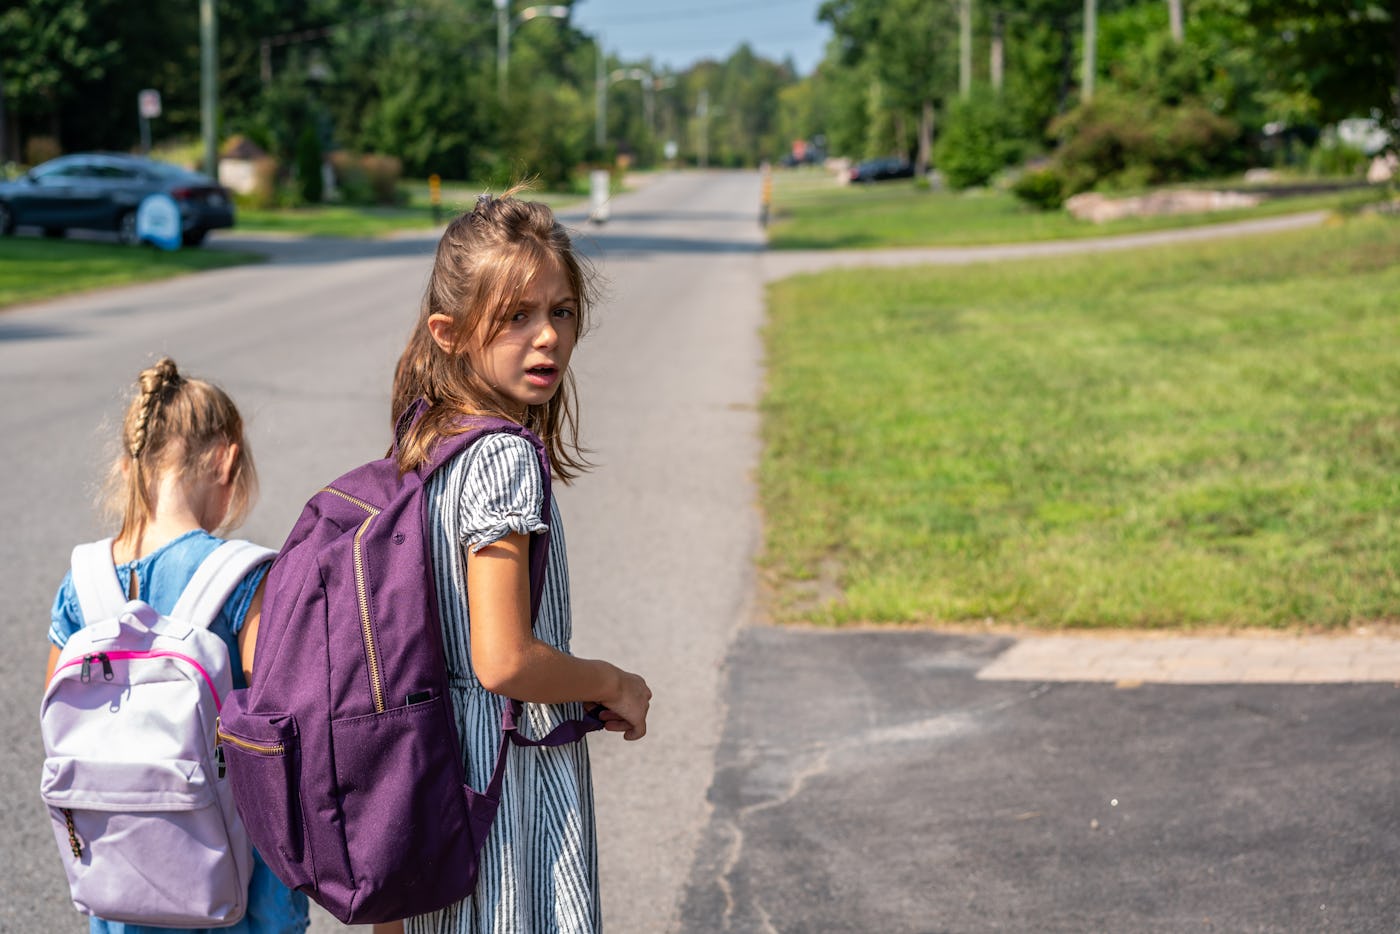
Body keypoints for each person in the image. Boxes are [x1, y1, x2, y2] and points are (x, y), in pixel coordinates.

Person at [382, 190, 651, 934]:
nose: (548, 339)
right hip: (501, 782)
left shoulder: (428, 437)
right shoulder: (502, 458)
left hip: (435, 783)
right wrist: (613, 683)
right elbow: (502, 660)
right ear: (450, 332)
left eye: (562, 311)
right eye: (516, 316)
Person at [45, 357, 310, 934]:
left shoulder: (82, 582)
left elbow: (57, 718)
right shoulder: (239, 576)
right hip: (228, 889)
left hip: (120, 884)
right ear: (226, 459)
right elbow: (275, 724)